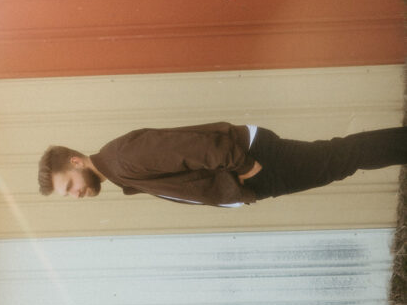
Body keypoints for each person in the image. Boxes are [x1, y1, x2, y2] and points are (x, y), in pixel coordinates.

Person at [38, 122, 407, 208]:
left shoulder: (122, 158)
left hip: (253, 161)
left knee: (340, 158)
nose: (76, 194)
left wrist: (245, 167)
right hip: (247, 171)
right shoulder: (118, 170)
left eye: (69, 185)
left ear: (76, 161)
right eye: (68, 194)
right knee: (338, 161)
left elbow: (191, 147)